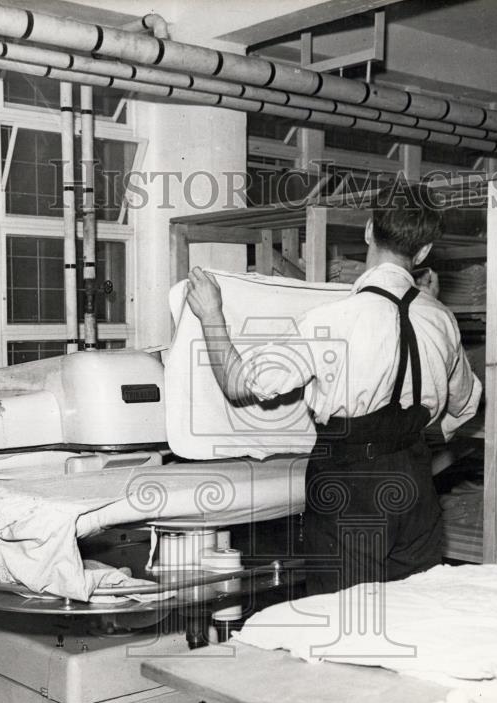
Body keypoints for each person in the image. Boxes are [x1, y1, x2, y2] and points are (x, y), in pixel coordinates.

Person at [184, 193, 481, 596]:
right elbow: (463, 407)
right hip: (415, 483)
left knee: (343, 619)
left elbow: (239, 385)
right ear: (424, 250)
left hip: (349, 483)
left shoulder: (332, 320)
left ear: (370, 230)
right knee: (416, 612)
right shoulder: (440, 318)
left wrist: (211, 314)